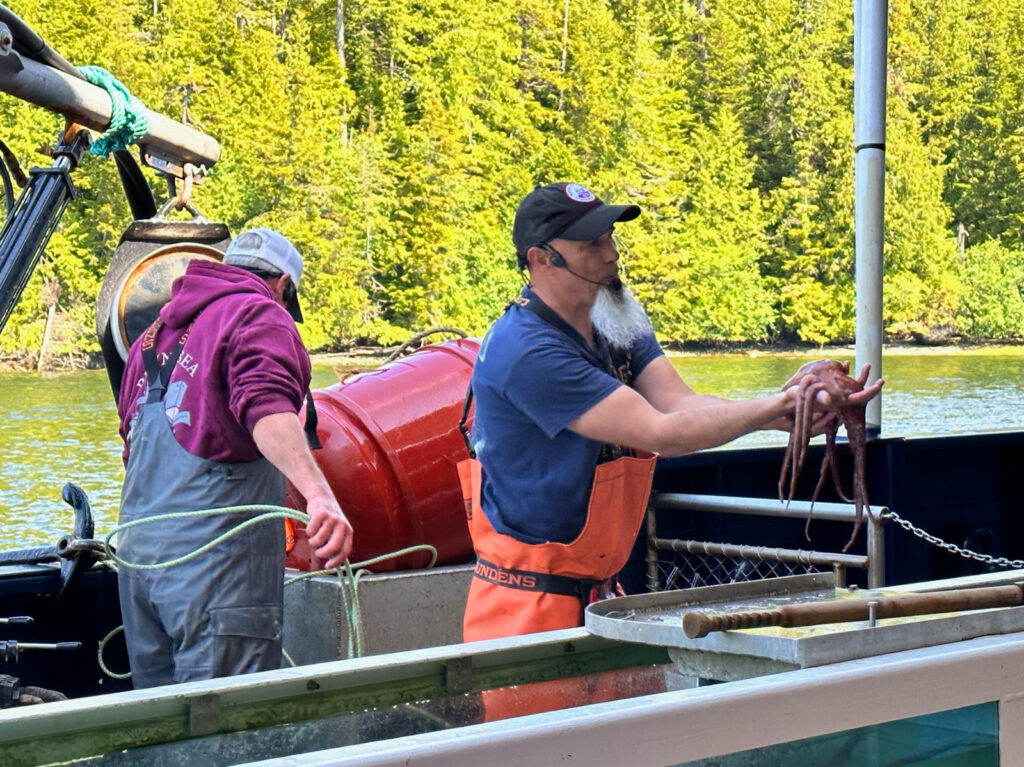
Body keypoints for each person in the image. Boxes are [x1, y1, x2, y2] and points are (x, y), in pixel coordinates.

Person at [460, 182, 883, 643]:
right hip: (527, 607)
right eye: (591, 245)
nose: (611, 255)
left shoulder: (615, 323)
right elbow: (662, 432)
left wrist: (776, 414)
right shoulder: (528, 352)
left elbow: (680, 402)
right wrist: (782, 404)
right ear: (542, 259)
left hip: (601, 593)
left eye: (610, 239)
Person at [115, 227, 354, 688]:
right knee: (225, 729)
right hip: (214, 577)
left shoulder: (150, 337)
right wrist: (320, 495)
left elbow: (132, 446)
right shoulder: (258, 313)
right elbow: (267, 408)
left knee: (159, 727)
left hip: (138, 572)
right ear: (283, 285)